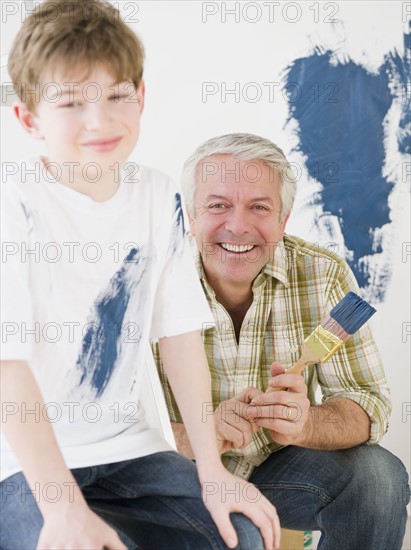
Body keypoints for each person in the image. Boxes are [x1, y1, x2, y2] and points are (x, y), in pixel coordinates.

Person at [0, 4, 281, 548]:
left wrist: (212, 473)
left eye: (116, 94)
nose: (99, 120)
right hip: (28, 466)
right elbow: (7, 369)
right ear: (29, 119)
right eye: (71, 102)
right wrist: (63, 510)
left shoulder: (156, 196)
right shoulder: (14, 209)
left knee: (242, 535)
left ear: (142, 97)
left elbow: (177, 337)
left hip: (131, 454)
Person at [155, 133, 411, 550]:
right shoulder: (148, 282)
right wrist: (204, 434)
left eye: (259, 207)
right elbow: (114, 423)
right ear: (190, 216)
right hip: (178, 484)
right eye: (218, 205)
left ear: (284, 219)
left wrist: (308, 423)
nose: (237, 226)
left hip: (281, 480)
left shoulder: (321, 274)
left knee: (378, 475)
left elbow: (367, 402)